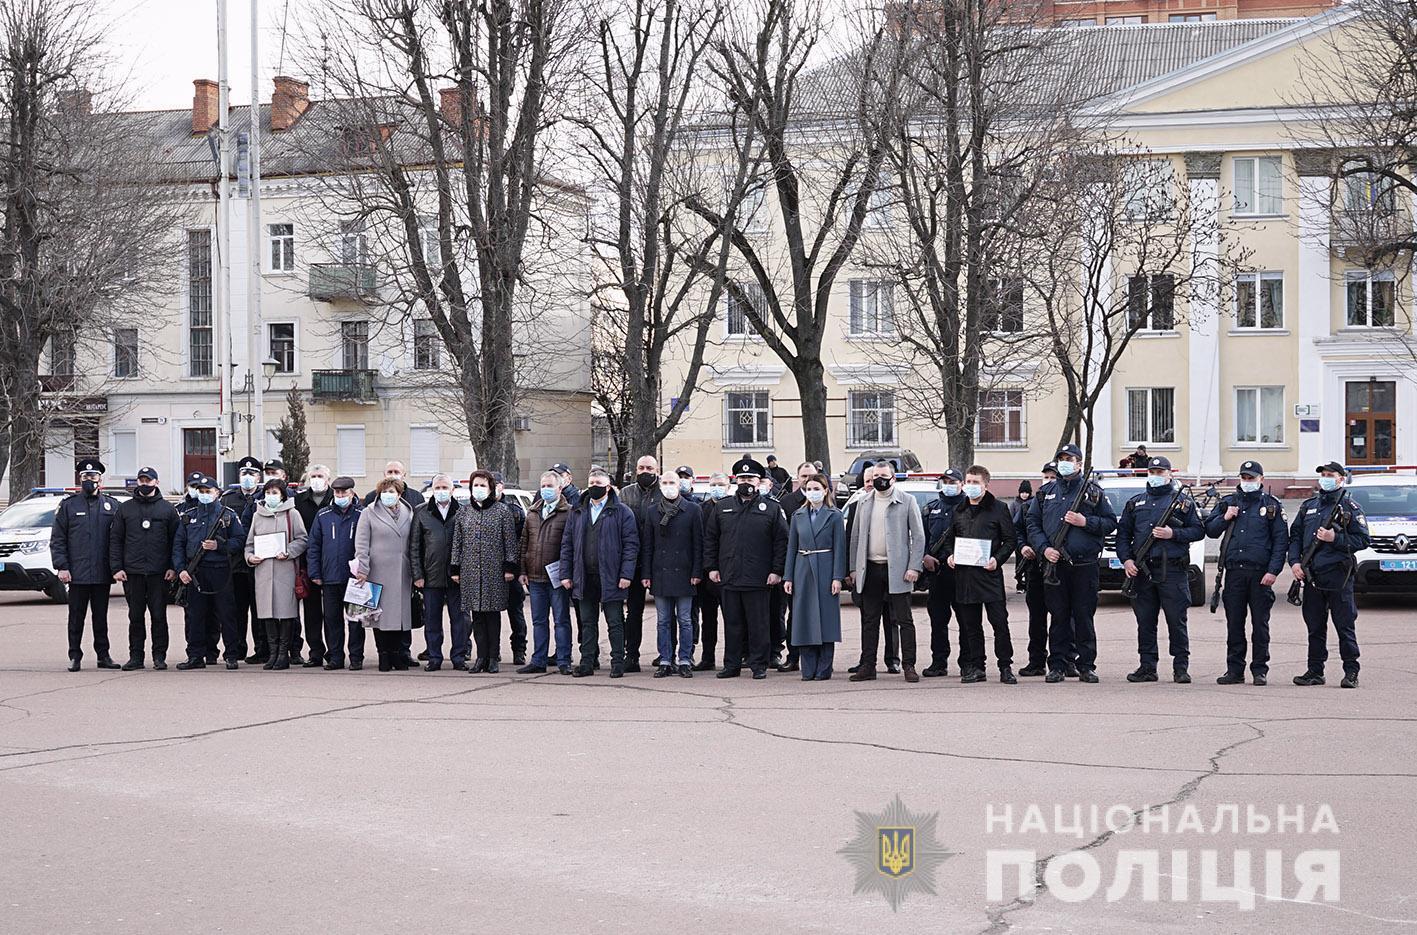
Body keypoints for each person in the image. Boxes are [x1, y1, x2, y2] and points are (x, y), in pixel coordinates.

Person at [1026, 443, 1117, 684]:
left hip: (1084, 565)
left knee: (1084, 617)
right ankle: (1057, 665)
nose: (1065, 463)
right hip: (1056, 566)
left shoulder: (1093, 492)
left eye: (1070, 459)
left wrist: (1085, 521)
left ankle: (1086, 665)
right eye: (1062, 459)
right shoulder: (1045, 493)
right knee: (1058, 617)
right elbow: (1032, 524)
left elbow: (1110, 522)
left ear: (1079, 463)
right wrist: (1044, 549)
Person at [1117, 456, 1205, 684]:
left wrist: (1173, 534)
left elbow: (1198, 531)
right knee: (1145, 621)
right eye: (1152, 472)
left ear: (1169, 474)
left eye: (1160, 472)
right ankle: (1147, 667)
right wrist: (1126, 560)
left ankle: (1180, 668)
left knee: (1176, 620)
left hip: (1172, 571)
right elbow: (1123, 535)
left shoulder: (1183, 502)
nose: (1156, 476)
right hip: (1143, 571)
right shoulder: (1135, 502)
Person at [704, 458, 788, 680]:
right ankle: (731, 664)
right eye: (742, 478)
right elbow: (711, 539)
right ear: (735, 481)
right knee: (732, 624)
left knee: (759, 624)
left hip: (759, 578)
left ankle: (758, 664)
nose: (746, 482)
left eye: (750, 478)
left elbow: (781, 542)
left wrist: (777, 570)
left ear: (759, 481)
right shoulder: (722, 507)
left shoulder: (771, 508)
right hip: (729, 575)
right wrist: (711, 567)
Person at [1205, 460, 1287, 686]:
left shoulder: (1271, 505)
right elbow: (1210, 530)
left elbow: (1281, 541)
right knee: (1234, 625)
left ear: (1261, 479)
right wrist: (1225, 517)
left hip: (1260, 575)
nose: (1247, 481)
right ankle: (1234, 670)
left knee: (1260, 626)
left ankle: (1259, 670)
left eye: (1251, 478)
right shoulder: (1228, 503)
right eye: (1244, 477)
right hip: (1235, 573)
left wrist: (1273, 571)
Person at [1289, 461, 1369, 688]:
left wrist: (1335, 538)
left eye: (1330, 475)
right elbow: (1295, 536)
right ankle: (1315, 671)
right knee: (1314, 627)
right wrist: (1294, 562)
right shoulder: (1309, 506)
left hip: (1338, 576)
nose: (1325, 478)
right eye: (1323, 474)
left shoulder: (1349, 507)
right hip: (1312, 576)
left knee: (1344, 626)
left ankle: (1351, 672)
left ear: (1341, 479)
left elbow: (1363, 540)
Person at [846, 461, 925, 682]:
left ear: (893, 477)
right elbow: (855, 537)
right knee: (869, 620)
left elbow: (918, 537)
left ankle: (909, 665)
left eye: (883, 475)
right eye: (875, 476)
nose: (879, 479)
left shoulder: (907, 501)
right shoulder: (863, 502)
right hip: (870, 569)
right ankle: (868, 666)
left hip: (897, 570)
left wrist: (914, 566)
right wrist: (853, 568)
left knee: (904, 620)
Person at [938, 466, 1017, 684]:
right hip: (965, 577)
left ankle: (1005, 666)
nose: (971, 486)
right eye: (968, 482)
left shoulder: (999, 508)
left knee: (999, 623)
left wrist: (997, 559)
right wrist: (950, 556)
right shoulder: (959, 510)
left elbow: (1010, 540)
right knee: (970, 626)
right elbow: (949, 540)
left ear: (986, 485)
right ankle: (977, 667)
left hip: (989, 576)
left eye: (976, 482)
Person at [560, 467, 639, 678]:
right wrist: (566, 574)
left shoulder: (622, 512)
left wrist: (626, 575)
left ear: (608, 487)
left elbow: (631, 546)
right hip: (584, 576)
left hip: (612, 576)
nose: (594, 487)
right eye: (591, 483)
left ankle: (618, 662)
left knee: (615, 621)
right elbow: (567, 545)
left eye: (599, 484)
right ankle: (587, 662)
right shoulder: (577, 511)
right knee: (587, 621)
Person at [50, 458, 122, 671]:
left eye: (93, 476)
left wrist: (117, 567)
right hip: (77, 573)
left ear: (100, 479)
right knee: (76, 617)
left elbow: (118, 539)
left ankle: (103, 655)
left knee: (101, 617)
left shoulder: (112, 505)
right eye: (85, 476)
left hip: (102, 572)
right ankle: (75, 656)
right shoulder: (69, 505)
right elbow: (58, 539)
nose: (89, 479)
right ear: (79, 479)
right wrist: (62, 566)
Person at [171, 474, 246, 670]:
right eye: (201, 491)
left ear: (217, 493)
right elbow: (178, 545)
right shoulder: (188, 516)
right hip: (195, 572)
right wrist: (181, 569)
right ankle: (195, 656)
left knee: (226, 615)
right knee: (195, 615)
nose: (204, 494)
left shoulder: (228, 515)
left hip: (220, 571)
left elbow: (239, 541)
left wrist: (219, 546)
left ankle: (231, 655)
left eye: (208, 491)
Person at [109, 466, 179, 671]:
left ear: (156, 482)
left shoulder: (167, 509)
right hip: (133, 572)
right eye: (142, 480)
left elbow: (176, 541)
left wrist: (173, 567)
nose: (145, 484)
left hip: (159, 573)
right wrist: (116, 567)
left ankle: (159, 656)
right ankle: (136, 657)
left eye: (149, 480)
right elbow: (116, 540)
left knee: (159, 616)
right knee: (135, 617)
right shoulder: (125, 509)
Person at [449, 470, 519, 673]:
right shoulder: (464, 512)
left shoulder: (502, 511)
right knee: (477, 616)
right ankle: (481, 657)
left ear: (490, 488)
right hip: (470, 570)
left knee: (492, 615)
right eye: (475, 485)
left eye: (483, 485)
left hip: (494, 571)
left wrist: (510, 567)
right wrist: (455, 568)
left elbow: (509, 542)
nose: (478, 489)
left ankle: (493, 657)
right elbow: (457, 542)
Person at [782, 473, 847, 680]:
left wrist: (837, 577)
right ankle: (808, 667)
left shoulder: (834, 515)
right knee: (803, 617)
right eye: (809, 489)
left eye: (816, 489)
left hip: (825, 568)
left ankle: (824, 667)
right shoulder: (798, 515)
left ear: (826, 490)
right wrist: (788, 577)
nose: (812, 493)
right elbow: (792, 547)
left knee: (826, 618)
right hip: (802, 569)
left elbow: (840, 548)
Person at [640, 471, 704, 678]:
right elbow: (647, 545)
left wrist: (697, 571)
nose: (669, 486)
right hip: (660, 573)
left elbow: (698, 544)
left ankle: (685, 659)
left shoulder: (693, 510)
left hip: (685, 573)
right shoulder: (652, 511)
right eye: (665, 482)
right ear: (660, 486)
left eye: (672, 482)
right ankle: (665, 660)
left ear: (679, 485)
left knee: (685, 620)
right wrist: (646, 573)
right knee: (663, 621)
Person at [243, 479, 308, 671]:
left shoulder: (292, 514)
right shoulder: (258, 515)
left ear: (282, 495)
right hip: (263, 571)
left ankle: (283, 654)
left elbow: (302, 539)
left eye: (275, 493)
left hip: (285, 570)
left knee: (286, 613)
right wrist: (250, 557)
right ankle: (272, 653)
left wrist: (288, 551)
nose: (271, 496)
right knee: (267, 613)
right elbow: (249, 544)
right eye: (268, 492)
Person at [354, 477, 416, 671]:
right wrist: (362, 569)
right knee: (379, 616)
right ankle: (383, 655)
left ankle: (396, 654)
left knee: (398, 615)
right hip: (377, 570)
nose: (387, 495)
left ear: (399, 494)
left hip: (402, 571)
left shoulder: (408, 512)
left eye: (391, 492)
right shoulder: (369, 512)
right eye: (384, 492)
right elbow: (361, 543)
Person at [409, 473, 470, 671]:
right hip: (430, 575)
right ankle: (434, 657)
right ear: (432, 490)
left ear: (452, 490)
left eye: (445, 488)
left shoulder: (463, 511)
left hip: (457, 576)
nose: (441, 491)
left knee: (460, 620)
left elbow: (468, 545)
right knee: (432, 620)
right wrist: (418, 575)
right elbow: (415, 546)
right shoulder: (421, 511)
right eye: (438, 488)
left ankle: (459, 657)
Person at [306, 477, 364, 669]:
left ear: (352, 493)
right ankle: (335, 657)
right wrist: (315, 573)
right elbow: (314, 545)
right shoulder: (323, 515)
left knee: (356, 621)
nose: (340, 496)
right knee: (332, 620)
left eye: (344, 492)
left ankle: (356, 657)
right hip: (330, 577)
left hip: (355, 579)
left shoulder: (362, 514)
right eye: (337, 492)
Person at [520, 471, 573, 674]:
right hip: (535, 577)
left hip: (557, 578)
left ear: (560, 488)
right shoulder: (533, 512)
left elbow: (570, 546)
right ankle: (539, 660)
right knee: (539, 621)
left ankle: (563, 660)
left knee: (561, 620)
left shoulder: (568, 512)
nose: (545, 489)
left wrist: (567, 574)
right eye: (543, 486)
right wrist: (522, 570)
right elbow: (524, 543)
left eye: (550, 486)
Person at [618, 453, 662, 670]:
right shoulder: (626, 493)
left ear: (657, 470)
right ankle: (631, 655)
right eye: (641, 468)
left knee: (666, 612)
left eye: (649, 468)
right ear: (636, 470)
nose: (645, 472)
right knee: (634, 611)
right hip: (634, 561)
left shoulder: (665, 492)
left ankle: (666, 654)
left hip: (659, 561)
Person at [920, 468, 965, 677]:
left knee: (966, 620)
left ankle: (967, 663)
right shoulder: (931, 508)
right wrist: (925, 556)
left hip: (962, 572)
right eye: (945, 481)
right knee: (938, 620)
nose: (948, 485)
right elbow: (921, 537)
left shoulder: (969, 508)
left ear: (961, 484)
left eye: (953, 482)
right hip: (937, 573)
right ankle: (939, 662)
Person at [1015, 462, 1059, 676]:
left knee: (1062, 617)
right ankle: (1036, 661)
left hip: (1058, 568)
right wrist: (1023, 546)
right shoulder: (1029, 506)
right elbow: (1017, 531)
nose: (1048, 481)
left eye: (1053, 477)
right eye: (1046, 477)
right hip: (1035, 568)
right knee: (1037, 618)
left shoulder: (1063, 504)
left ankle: (1065, 660)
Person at [291, 464, 334, 668]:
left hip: (334, 562)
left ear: (328, 479)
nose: (317, 479)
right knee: (312, 612)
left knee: (333, 613)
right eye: (313, 476)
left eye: (320, 476)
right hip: (308, 562)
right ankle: (315, 651)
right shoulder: (299, 501)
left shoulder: (336, 497)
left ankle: (335, 652)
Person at [224, 456, 263, 664]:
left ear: (259, 477)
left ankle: (261, 649)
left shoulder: (265, 498)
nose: (248, 477)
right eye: (244, 473)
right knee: (237, 610)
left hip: (258, 562)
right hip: (235, 564)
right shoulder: (228, 499)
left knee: (259, 610)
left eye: (252, 473)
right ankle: (238, 648)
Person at [692, 472, 730, 669]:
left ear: (728, 486)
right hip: (707, 574)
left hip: (729, 573)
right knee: (707, 619)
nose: (717, 488)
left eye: (721, 484)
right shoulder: (701, 509)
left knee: (733, 619)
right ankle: (708, 658)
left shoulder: (734, 507)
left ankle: (733, 658)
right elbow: (699, 542)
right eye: (714, 484)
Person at [493, 472, 529, 666]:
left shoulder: (514, 510)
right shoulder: (479, 509)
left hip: (511, 570)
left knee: (515, 613)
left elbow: (522, 542)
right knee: (490, 614)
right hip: (490, 570)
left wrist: (517, 569)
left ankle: (519, 650)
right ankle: (493, 651)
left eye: (495, 484)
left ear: (502, 486)